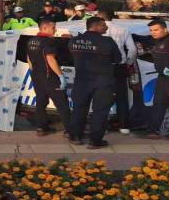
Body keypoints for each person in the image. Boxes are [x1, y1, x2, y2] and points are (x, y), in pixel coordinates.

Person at [67, 17, 122, 148]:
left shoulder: (73, 41)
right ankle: (95, 141)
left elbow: (70, 56)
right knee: (100, 111)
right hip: (103, 81)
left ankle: (75, 137)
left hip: (81, 80)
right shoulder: (107, 41)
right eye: (104, 25)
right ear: (96, 26)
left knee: (79, 109)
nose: (106, 27)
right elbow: (118, 59)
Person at [26, 19, 71, 135]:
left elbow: (28, 58)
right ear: (44, 28)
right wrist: (60, 75)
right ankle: (71, 131)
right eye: (53, 27)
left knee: (41, 101)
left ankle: (41, 128)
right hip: (49, 76)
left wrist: (34, 71)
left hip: (36, 76)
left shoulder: (31, 40)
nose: (55, 30)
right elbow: (50, 59)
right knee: (62, 103)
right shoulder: (48, 42)